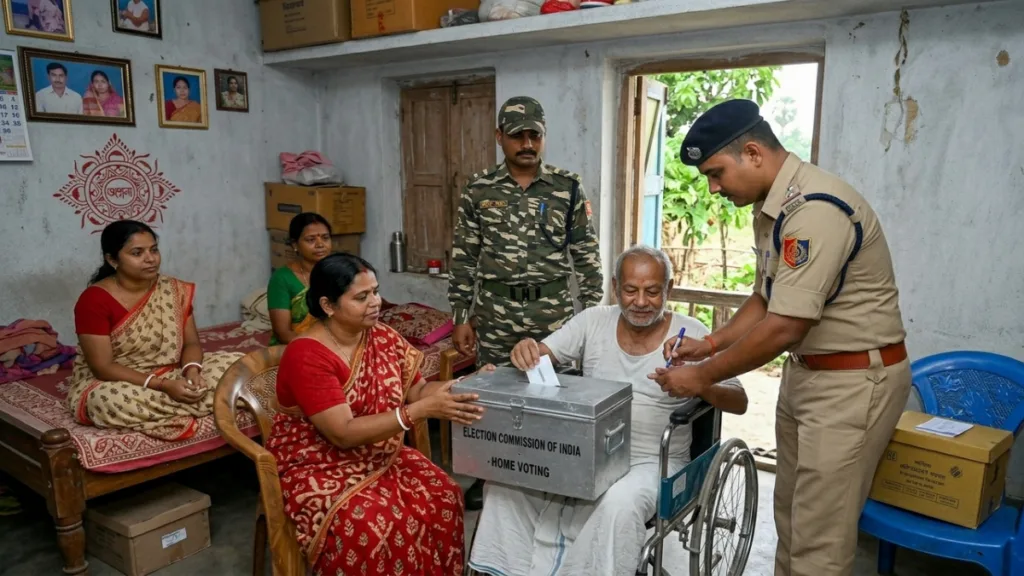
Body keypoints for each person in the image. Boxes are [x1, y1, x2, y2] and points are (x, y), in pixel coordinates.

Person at [654, 99, 910, 576]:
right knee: (791, 519)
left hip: (851, 385)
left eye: (716, 173)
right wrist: (710, 345)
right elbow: (765, 298)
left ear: (753, 153)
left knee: (819, 539)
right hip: (808, 376)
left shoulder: (816, 211)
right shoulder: (774, 209)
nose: (712, 188)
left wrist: (702, 376)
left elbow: (785, 326)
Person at [468, 245, 747, 576]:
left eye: (652, 292)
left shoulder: (693, 334)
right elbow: (541, 354)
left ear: (669, 289)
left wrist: (699, 382)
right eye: (630, 290)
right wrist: (526, 351)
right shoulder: (593, 321)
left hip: (653, 461)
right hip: (587, 452)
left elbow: (739, 400)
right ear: (615, 287)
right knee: (504, 486)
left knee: (618, 504)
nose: (640, 302)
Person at [266, 252, 493, 575]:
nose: (375, 302)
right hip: (319, 462)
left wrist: (463, 385)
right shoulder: (307, 354)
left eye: (375, 292)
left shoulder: (382, 336)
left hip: (379, 452)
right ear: (328, 305)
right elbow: (342, 433)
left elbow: (417, 392)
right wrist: (415, 413)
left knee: (443, 494)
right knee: (370, 524)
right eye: (361, 297)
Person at [448, 95, 604, 509]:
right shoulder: (479, 189)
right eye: (518, 136)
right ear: (500, 137)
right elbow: (463, 256)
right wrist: (460, 316)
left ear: (544, 136)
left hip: (552, 314)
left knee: (554, 394)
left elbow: (586, 255)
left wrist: (592, 316)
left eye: (535, 135)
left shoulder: (567, 187)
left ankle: (554, 472)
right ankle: (489, 473)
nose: (528, 144)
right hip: (495, 313)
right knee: (493, 394)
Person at [68, 220, 244, 441]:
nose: (150, 258)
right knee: (107, 401)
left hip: (173, 371)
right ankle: (217, 399)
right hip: (120, 381)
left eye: (154, 250)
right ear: (112, 260)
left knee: (239, 365)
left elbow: (191, 343)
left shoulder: (173, 290)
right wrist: (163, 385)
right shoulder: (94, 300)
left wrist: (192, 372)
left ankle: (188, 401)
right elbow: (103, 367)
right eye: (137, 253)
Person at [267, 212, 333, 345]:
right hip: (296, 345)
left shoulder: (338, 272)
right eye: (311, 240)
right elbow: (283, 333)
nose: (320, 244)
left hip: (336, 342)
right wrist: (320, 347)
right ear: (295, 245)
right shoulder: (282, 278)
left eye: (325, 238)